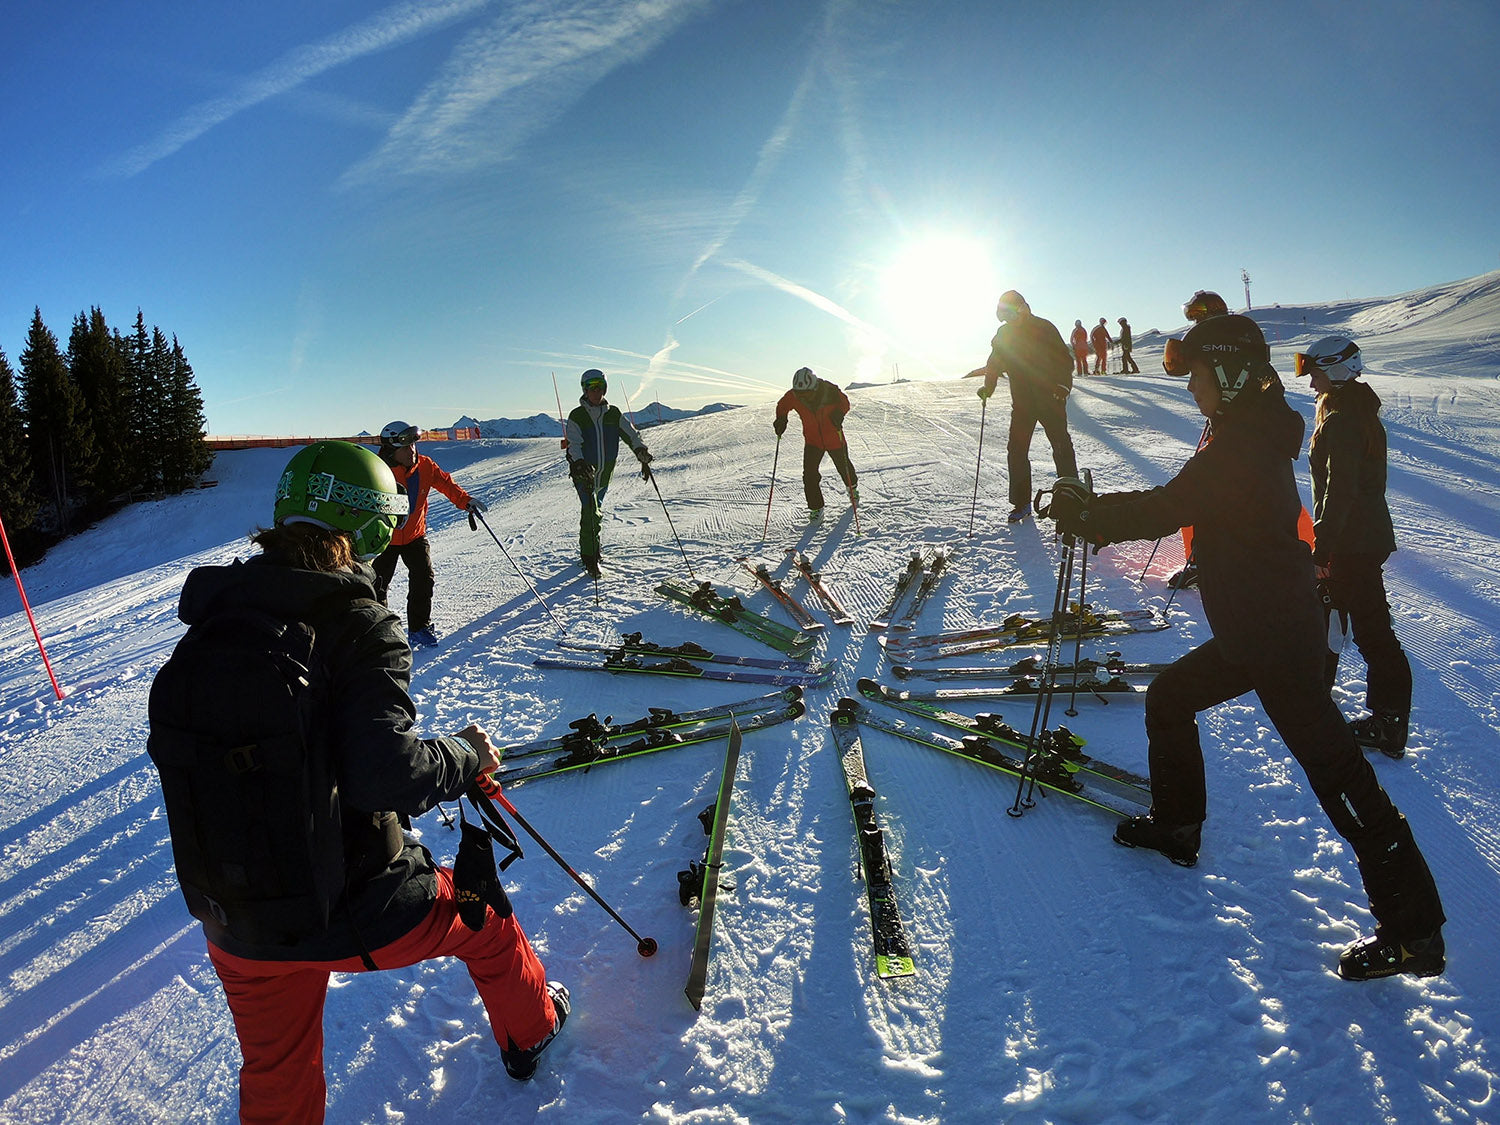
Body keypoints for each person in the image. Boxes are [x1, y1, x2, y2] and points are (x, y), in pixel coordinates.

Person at [147, 440, 567, 1122]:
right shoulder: (361, 622)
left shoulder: (216, 619)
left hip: (236, 913)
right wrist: (464, 754)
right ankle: (533, 1028)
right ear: (375, 528)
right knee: (486, 921)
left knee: (277, 1071)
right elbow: (387, 774)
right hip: (357, 906)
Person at [1043, 315, 1445, 981]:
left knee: (1342, 780)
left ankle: (1415, 933)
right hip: (1255, 630)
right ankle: (1178, 826)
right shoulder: (1242, 431)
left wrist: (1090, 515)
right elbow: (1199, 506)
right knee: (1170, 699)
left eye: (1198, 375)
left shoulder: (1245, 442)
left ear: (1227, 373)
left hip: (1277, 641)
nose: (1192, 387)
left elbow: (1169, 504)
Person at [1297, 335, 1413, 758]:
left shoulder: (1344, 418)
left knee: (1369, 632)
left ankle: (1386, 723)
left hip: (1352, 542)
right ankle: (1325, 703)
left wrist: (1323, 548)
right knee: (1336, 618)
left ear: (1337, 369)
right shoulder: (1353, 408)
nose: (1311, 384)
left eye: (1316, 374)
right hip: (1360, 537)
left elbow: (1340, 490)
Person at [372, 421, 484, 648]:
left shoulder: (425, 466)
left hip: (414, 535)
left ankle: (419, 628)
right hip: (384, 539)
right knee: (377, 585)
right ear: (393, 450)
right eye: (406, 447)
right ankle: (377, 631)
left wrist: (466, 501)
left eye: (414, 444)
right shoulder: (377, 472)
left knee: (424, 579)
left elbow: (446, 484)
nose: (412, 450)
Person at [971, 290, 1077, 522]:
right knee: (1016, 450)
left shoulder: (1044, 327)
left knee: (1061, 446)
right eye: (1005, 317)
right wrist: (988, 387)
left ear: (1022, 308)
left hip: (1051, 399)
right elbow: (994, 363)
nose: (1009, 320)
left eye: (1011, 314)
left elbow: (1064, 359)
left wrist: (1063, 385)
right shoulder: (1004, 334)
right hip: (1023, 403)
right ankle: (1021, 503)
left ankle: (1072, 498)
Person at [565, 369, 652, 577]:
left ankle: (592, 548)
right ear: (585, 390)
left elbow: (631, 434)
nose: (596, 392)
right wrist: (578, 463)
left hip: (605, 474)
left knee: (596, 511)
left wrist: (641, 451)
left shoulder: (613, 413)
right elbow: (574, 444)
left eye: (600, 387)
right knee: (591, 512)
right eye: (592, 387)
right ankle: (590, 558)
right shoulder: (577, 415)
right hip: (583, 473)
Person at [774, 366, 858, 519]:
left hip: (834, 438)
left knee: (844, 467)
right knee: (809, 475)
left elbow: (844, 402)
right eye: (800, 394)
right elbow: (783, 405)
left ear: (814, 386)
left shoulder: (829, 391)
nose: (803, 397)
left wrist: (839, 413)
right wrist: (781, 419)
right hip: (813, 440)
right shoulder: (795, 395)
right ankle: (816, 508)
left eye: (806, 393)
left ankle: (852, 488)